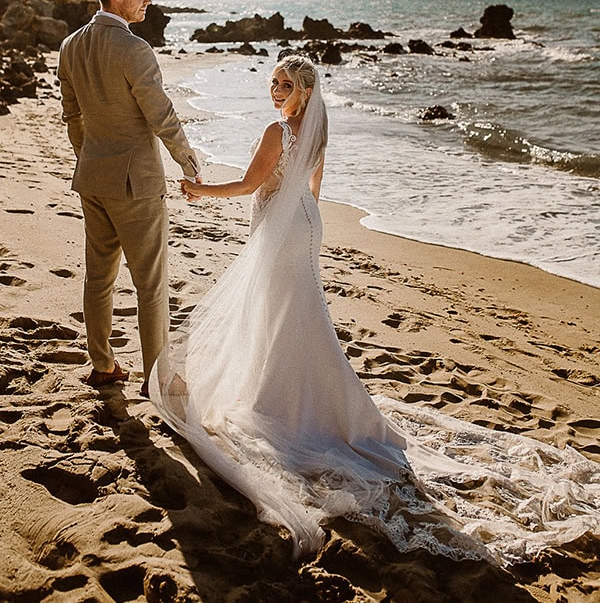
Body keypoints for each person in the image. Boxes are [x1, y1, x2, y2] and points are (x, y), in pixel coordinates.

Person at [150, 54, 599, 563]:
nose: (275, 91)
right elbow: (315, 189)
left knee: (279, 313)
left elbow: (250, 185)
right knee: (298, 314)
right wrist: (300, 224)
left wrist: (200, 190)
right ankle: (309, 396)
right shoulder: (316, 132)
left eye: (285, 84)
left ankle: (282, 401)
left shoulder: (277, 131)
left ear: (303, 91)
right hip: (306, 225)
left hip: (283, 228)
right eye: (273, 82)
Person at [58, 0, 200, 397]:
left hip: (93, 179)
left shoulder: (70, 46)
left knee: (98, 278)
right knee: (151, 285)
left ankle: (103, 365)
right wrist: (188, 162)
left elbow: (72, 115)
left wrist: (89, 157)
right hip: (136, 184)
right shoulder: (134, 48)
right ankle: (156, 378)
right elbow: (161, 114)